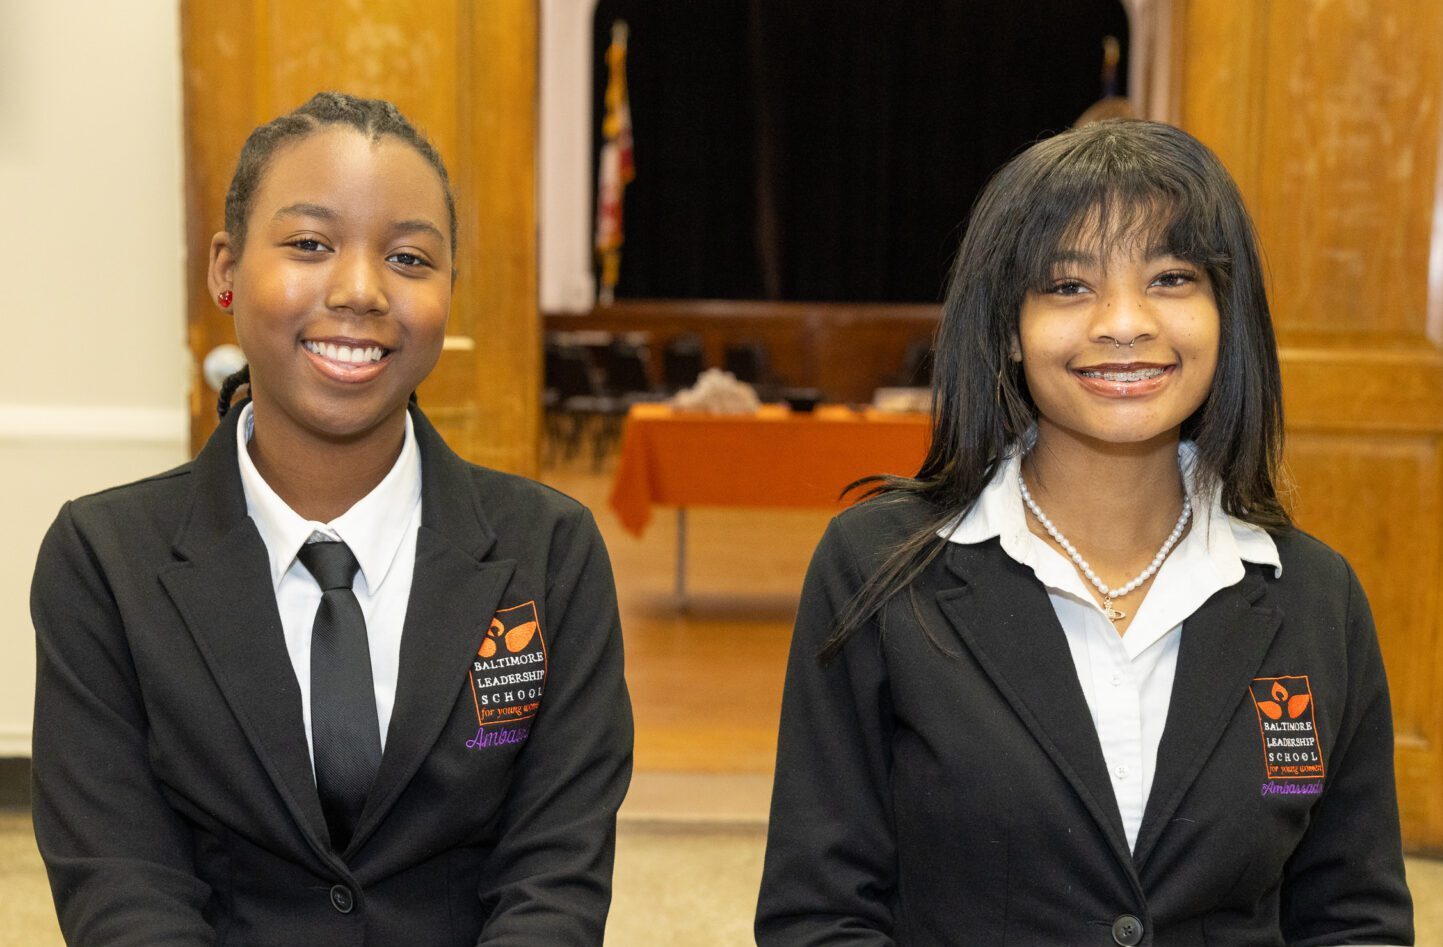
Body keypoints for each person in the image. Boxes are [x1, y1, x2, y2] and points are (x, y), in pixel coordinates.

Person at [756, 120, 1413, 945]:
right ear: (1007, 328)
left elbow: (1354, 918)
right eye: (1068, 286)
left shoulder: (1315, 594)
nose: (1124, 322)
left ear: (1226, 315)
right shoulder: (877, 569)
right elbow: (820, 914)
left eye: (1170, 278)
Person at [30, 92, 632, 946]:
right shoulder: (104, 561)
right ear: (225, 269)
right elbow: (123, 889)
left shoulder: (551, 553)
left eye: (409, 258)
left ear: (450, 290)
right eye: (310, 244)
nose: (359, 290)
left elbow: (553, 883)